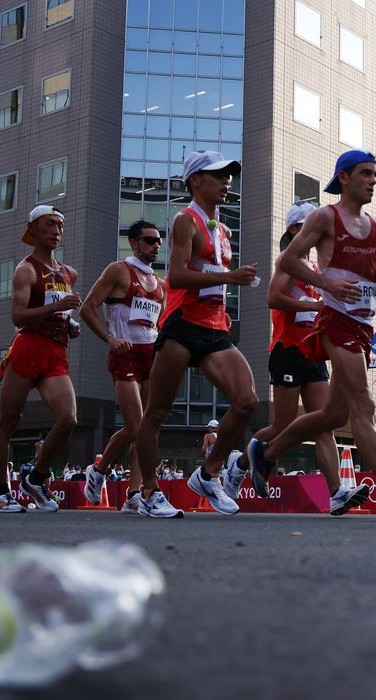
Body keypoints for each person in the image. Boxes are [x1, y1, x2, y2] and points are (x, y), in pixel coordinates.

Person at [246, 150, 376, 519]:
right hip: (335, 322)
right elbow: (285, 261)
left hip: (364, 327)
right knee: (363, 406)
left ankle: (266, 454)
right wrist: (325, 284)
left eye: (375, 175)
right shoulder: (325, 217)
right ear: (345, 178)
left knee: (334, 416)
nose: (372, 180)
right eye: (365, 174)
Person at [223, 202, 370, 516]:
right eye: (309, 224)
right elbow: (272, 298)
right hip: (288, 350)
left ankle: (337, 494)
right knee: (283, 427)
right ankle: (239, 464)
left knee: (325, 424)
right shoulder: (288, 263)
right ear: (294, 230)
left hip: (312, 352)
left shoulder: (317, 269)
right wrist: (317, 307)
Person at [135, 150, 258, 516]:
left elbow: (211, 278)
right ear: (194, 180)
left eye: (228, 176)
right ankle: (148, 493)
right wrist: (230, 278)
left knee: (247, 401)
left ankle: (208, 473)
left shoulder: (224, 230)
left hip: (215, 327)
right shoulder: (184, 220)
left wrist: (229, 290)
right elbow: (176, 276)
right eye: (217, 175)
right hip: (182, 325)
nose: (226, 182)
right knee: (156, 412)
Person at [78, 219, 181, 517]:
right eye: (150, 240)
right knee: (139, 428)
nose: (156, 245)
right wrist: (110, 338)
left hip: (152, 356)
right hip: (125, 355)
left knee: (146, 427)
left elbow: (156, 323)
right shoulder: (118, 270)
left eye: (159, 241)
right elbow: (87, 307)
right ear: (134, 243)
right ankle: (149, 491)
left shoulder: (159, 285)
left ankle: (125, 488)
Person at [0, 206, 82, 514]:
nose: (56, 230)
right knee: (8, 421)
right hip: (28, 347)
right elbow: (17, 315)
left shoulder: (69, 273)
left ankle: (36, 476)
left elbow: (62, 312)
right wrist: (58, 310)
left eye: (60, 225)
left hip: (56, 351)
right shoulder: (26, 270)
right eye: (49, 225)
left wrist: (70, 324)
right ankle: (1, 492)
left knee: (68, 419)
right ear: (33, 229)